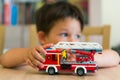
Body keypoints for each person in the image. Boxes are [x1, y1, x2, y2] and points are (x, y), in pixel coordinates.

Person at [0, 1, 119, 69]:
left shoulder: (81, 52)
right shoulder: (41, 55)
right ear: (43, 37)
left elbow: (115, 56)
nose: (73, 40)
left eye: (77, 35)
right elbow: (4, 59)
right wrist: (26, 55)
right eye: (64, 34)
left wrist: (90, 59)